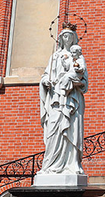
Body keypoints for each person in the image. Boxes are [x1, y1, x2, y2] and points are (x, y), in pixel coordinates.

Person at [38, 25, 88, 175]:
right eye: (64, 36)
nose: (67, 39)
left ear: (74, 38)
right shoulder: (54, 57)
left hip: (71, 99)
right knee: (53, 130)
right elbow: (46, 75)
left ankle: (71, 164)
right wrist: (45, 81)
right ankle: (50, 165)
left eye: (70, 36)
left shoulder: (78, 57)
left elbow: (84, 80)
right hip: (55, 98)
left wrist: (72, 80)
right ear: (60, 38)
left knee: (71, 130)